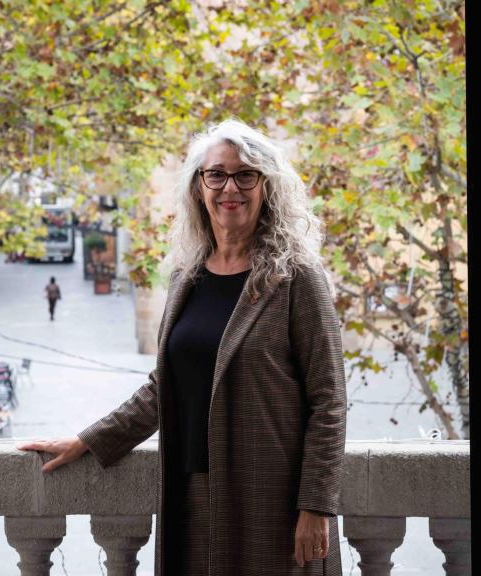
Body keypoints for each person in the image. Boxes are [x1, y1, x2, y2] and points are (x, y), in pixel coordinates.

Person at [18, 120, 346, 575]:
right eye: (216, 174)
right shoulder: (186, 277)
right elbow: (163, 387)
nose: (230, 187)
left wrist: (316, 506)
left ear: (267, 187)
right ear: (198, 187)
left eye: (245, 174)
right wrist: (89, 440)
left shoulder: (295, 278)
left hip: (271, 497)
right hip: (193, 492)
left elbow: (329, 401)